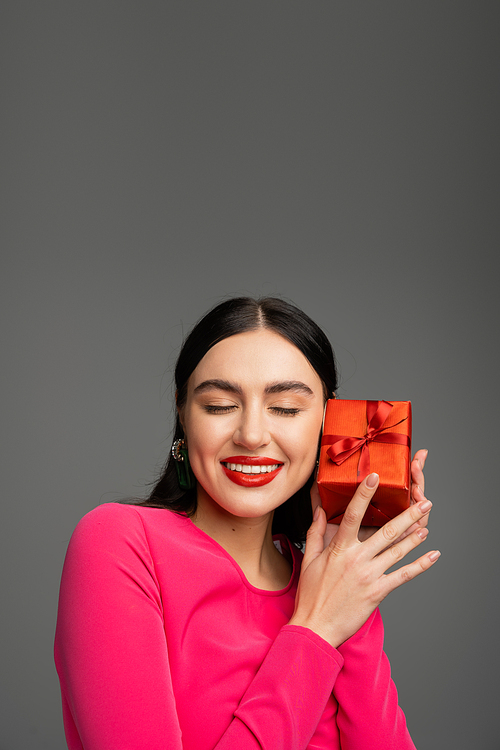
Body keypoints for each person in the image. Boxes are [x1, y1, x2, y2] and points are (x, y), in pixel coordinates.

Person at [54, 296, 439, 750]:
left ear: (327, 422)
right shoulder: (119, 542)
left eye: (286, 408)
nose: (252, 434)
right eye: (219, 405)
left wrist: (349, 571)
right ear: (182, 413)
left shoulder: (325, 586)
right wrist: (314, 633)